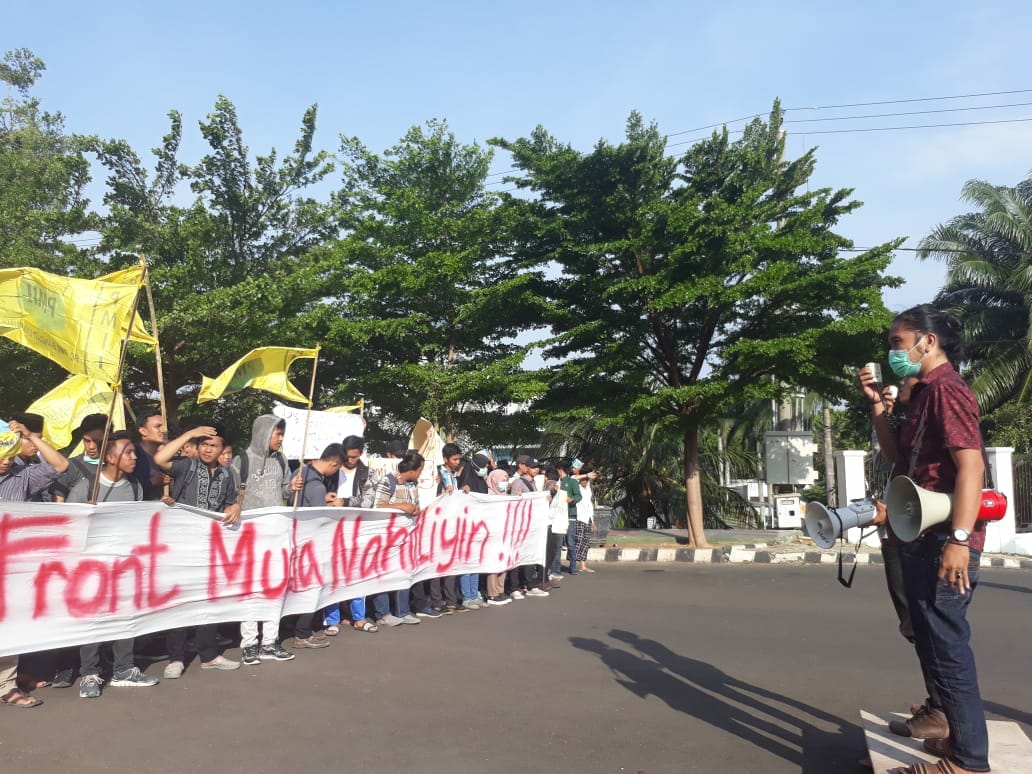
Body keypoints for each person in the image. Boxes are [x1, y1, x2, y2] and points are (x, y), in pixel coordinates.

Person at [861, 305, 990, 774]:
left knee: (948, 649)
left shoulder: (949, 392)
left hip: (943, 541)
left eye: (899, 342)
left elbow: (971, 466)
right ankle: (952, 733)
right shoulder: (927, 394)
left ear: (927, 343)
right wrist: (877, 404)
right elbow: (899, 456)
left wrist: (959, 539)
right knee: (933, 645)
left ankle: (969, 762)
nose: (893, 352)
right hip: (921, 536)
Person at [65, 432, 159, 697]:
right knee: (93, 619)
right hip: (92, 568)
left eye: (134, 453)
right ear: (109, 457)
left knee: (124, 617)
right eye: (128, 452)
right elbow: (69, 524)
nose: (134, 457)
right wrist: (86, 514)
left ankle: (124, 669)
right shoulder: (87, 486)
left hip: (124, 566)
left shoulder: (135, 487)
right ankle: (90, 674)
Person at [154, 426, 242, 677]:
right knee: (180, 601)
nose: (207, 449)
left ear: (222, 450)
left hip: (209, 548)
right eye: (203, 443)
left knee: (208, 601)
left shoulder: (226, 476)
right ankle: (176, 658)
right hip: (180, 545)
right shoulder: (186, 466)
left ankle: (209, 654)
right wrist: (189, 433)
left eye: (213, 445)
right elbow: (160, 459)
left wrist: (235, 505)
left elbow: (229, 503)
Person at [0, 418, 68, 709]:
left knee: (9, 624)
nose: (6, 460)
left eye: (10, 451)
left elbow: (60, 466)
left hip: (11, 566)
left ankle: (6, 683)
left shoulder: (23, 475)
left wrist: (30, 436)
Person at [233, 415, 297, 665]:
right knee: (251, 590)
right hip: (249, 536)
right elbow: (231, 493)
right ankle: (249, 644)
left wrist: (292, 487)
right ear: (263, 432)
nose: (280, 439)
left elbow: (283, 491)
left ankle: (270, 641)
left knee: (275, 589)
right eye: (276, 433)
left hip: (277, 535)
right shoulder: (242, 460)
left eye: (281, 434)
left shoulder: (281, 459)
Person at [289, 444, 346, 650]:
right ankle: (302, 633)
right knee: (312, 587)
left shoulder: (300, 472)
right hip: (310, 544)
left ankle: (295, 627)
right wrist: (333, 507)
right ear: (333, 464)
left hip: (293, 538)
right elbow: (318, 518)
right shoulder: (317, 486)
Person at [322, 435, 379, 633]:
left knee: (358, 573)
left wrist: (345, 502)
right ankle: (332, 619)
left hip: (357, 528)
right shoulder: (331, 470)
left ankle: (359, 617)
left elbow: (368, 501)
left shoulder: (369, 473)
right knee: (332, 573)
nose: (349, 461)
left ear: (361, 454)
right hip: (331, 527)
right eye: (346, 457)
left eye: (354, 457)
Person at [374, 451, 424, 625]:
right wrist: (403, 506)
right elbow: (378, 506)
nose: (420, 474)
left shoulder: (413, 483)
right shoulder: (388, 481)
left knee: (403, 573)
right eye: (420, 470)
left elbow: (415, 505)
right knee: (386, 574)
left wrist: (415, 508)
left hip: (407, 536)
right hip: (387, 536)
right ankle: (383, 614)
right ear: (413, 469)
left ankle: (403, 611)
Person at [507, 456, 549, 599]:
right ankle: (514, 587)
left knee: (529, 555)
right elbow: (513, 502)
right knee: (517, 557)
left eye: (537, 467)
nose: (536, 469)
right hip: (519, 526)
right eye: (533, 467)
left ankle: (530, 584)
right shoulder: (518, 482)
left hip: (531, 525)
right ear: (526, 468)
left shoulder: (534, 483)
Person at [50, 413, 108, 502]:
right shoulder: (69, 467)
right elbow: (57, 507)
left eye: (96, 441)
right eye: (87, 441)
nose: (91, 446)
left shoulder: (118, 466)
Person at [484, 460, 512, 606]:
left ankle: (500, 590)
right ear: (494, 480)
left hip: (504, 534)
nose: (505, 483)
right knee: (493, 565)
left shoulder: (507, 495)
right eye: (503, 480)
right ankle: (492, 594)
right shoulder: (486, 496)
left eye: (507, 480)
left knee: (503, 562)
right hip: (492, 535)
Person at [132, 409, 168, 500]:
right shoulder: (133, 455)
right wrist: (150, 482)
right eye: (158, 426)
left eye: (164, 426)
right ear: (143, 431)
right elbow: (125, 487)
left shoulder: (168, 455)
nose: (163, 430)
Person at [556, 460, 582, 579]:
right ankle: (556, 568)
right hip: (558, 516)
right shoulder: (556, 483)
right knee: (558, 543)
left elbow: (578, 496)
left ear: (560, 470)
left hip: (570, 515)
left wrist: (571, 499)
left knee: (570, 542)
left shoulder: (572, 482)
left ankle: (573, 566)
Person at [573, 465, 596, 574]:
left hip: (587, 518)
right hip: (579, 517)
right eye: (584, 480)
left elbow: (589, 504)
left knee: (585, 542)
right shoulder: (576, 485)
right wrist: (584, 474)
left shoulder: (588, 488)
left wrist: (592, 520)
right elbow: (572, 478)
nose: (585, 482)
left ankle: (583, 565)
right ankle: (573, 565)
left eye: (587, 480)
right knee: (578, 541)